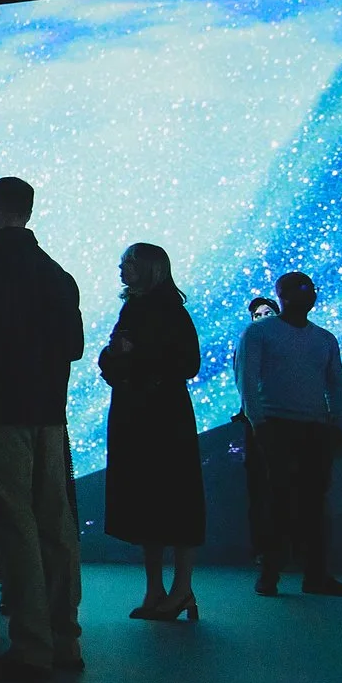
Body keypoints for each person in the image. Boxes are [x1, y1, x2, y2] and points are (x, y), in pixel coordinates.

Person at [0, 178, 86, 683]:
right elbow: (74, 347)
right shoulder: (58, 275)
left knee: (15, 523)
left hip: (2, 410)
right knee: (56, 523)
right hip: (48, 411)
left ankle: (31, 646)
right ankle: (65, 639)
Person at [100, 243, 206, 621]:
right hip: (140, 412)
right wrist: (118, 355)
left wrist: (133, 356)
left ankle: (179, 589)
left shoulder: (170, 311)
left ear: (149, 267)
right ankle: (157, 590)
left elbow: (188, 363)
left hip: (162, 415)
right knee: (150, 499)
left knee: (175, 499)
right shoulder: (135, 307)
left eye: (128, 262)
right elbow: (112, 358)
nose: (121, 268)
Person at [234, 272, 342, 596]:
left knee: (314, 503)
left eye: (309, 289)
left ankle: (314, 574)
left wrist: (338, 424)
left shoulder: (325, 339)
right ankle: (271, 573)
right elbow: (246, 380)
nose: (306, 294)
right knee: (278, 501)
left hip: (315, 428)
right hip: (276, 426)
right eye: (299, 289)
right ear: (282, 294)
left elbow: (336, 383)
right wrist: (259, 423)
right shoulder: (259, 333)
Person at [234, 295, 281, 568]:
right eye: (257, 315)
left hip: (288, 422)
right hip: (258, 424)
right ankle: (265, 552)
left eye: (267, 312)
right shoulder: (247, 344)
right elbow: (244, 383)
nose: (262, 318)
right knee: (261, 491)